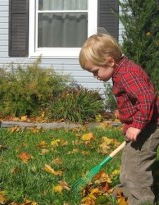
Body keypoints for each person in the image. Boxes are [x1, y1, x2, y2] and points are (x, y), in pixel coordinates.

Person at [79, 33, 159, 205]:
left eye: (95, 71)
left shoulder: (128, 74)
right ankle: (124, 195)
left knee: (137, 167)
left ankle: (142, 201)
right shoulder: (121, 71)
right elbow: (134, 98)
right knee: (129, 162)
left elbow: (146, 98)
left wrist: (137, 125)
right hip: (141, 125)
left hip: (148, 126)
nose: (95, 76)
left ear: (109, 61)